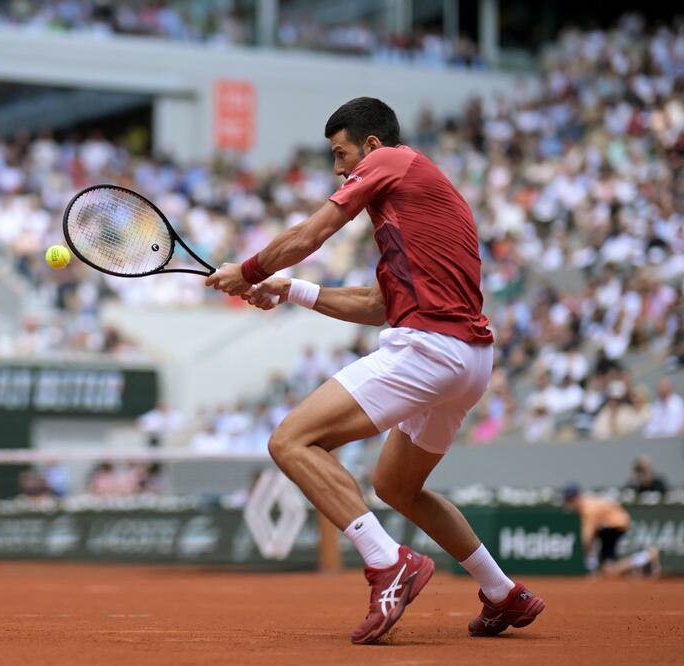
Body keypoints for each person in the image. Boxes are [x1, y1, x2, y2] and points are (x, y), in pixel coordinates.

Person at [206, 97, 544, 643]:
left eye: (342, 155)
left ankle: (388, 562)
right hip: (471, 362)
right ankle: (503, 592)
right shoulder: (419, 204)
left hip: (431, 351)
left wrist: (246, 271)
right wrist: (287, 288)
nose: (339, 169)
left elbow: (307, 236)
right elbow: (375, 304)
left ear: (370, 145)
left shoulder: (392, 162)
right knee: (396, 485)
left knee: (291, 441)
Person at [562, 484, 660, 578]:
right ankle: (644, 558)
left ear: (575, 498)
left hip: (614, 526)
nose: (568, 505)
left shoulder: (588, 508)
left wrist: (588, 559)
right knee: (607, 568)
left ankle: (647, 556)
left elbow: (587, 537)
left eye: (569, 501)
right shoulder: (588, 504)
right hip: (613, 525)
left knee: (608, 569)